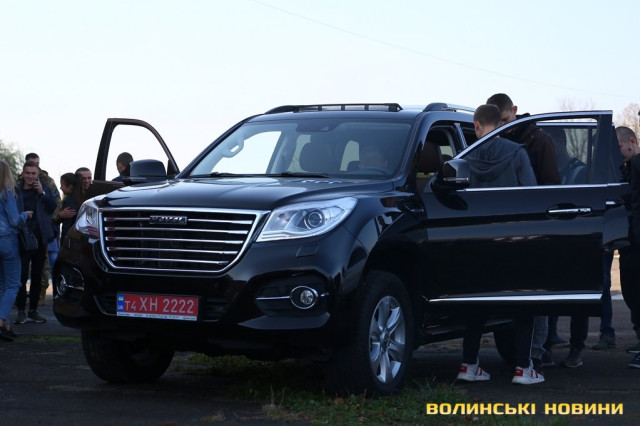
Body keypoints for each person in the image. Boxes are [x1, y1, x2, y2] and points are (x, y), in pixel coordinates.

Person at [457, 104, 543, 384]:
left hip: (476, 242)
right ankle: (523, 368)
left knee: (476, 305)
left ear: (476, 125)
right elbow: (531, 197)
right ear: (500, 123)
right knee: (523, 304)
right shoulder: (516, 153)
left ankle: (469, 364)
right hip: (513, 241)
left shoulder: (465, 157)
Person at [487, 94, 564, 371]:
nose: (502, 126)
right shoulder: (496, 142)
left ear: (514, 111)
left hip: (534, 225)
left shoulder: (538, 141)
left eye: (504, 120)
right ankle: (521, 352)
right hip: (505, 228)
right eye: (497, 122)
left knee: (536, 296)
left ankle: (538, 353)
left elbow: (551, 184)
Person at [14, 160, 57, 324]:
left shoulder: (43, 189)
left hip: (39, 238)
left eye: (33, 173)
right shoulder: (16, 190)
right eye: (28, 173)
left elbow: (53, 208)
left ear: (38, 174)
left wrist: (42, 193)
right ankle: (20, 311)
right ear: (23, 173)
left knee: (37, 276)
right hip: (21, 238)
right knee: (21, 276)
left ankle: (33, 310)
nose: (30, 176)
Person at [616, 126, 640, 368]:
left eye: (620, 147)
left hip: (634, 241)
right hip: (630, 241)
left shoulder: (635, 167)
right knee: (632, 293)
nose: (619, 152)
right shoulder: (627, 168)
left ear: (632, 142)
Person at [24, 153, 61, 305]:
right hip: (23, 230)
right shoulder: (19, 182)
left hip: (42, 230)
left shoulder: (47, 181)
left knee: (42, 264)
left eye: (36, 165)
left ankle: (41, 292)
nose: (32, 174)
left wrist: (51, 224)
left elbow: (56, 204)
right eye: (30, 164)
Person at [0, 161, 31, 341]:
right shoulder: (7, 193)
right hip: (7, 241)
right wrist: (25, 215)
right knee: (13, 285)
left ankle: (5, 326)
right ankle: (1, 320)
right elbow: (14, 220)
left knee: (2, 285)